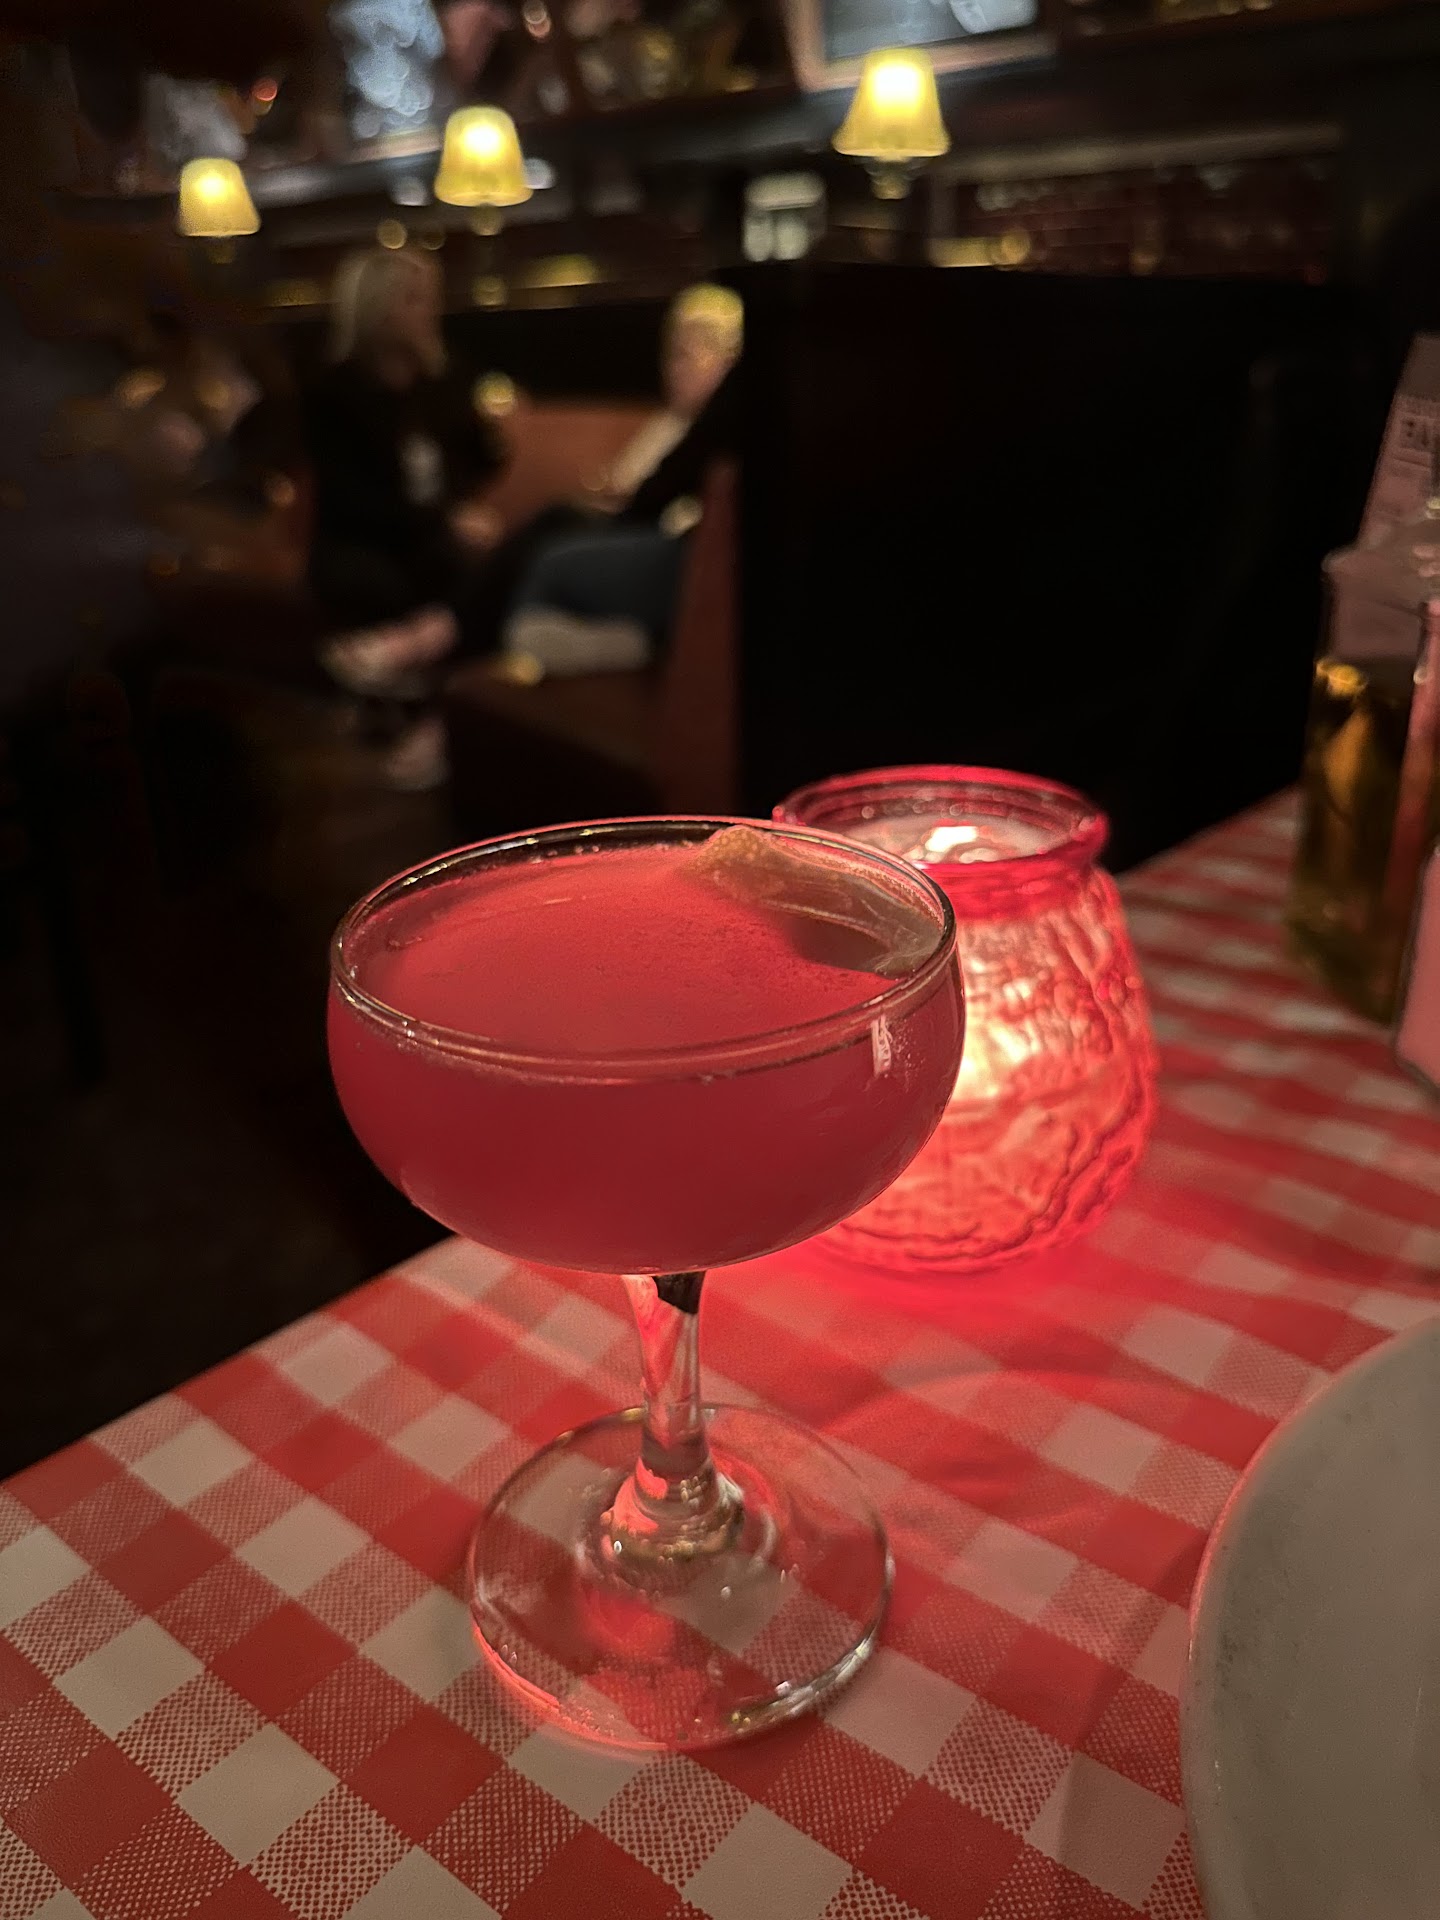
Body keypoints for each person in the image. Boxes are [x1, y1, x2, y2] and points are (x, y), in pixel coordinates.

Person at [301, 246, 507, 771]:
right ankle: (395, 711)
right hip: (361, 540)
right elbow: (349, 500)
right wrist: (445, 520)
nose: (428, 312)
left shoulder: (444, 382)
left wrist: (487, 427)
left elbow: (481, 461)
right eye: (413, 299)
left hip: (431, 539)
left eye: (429, 299)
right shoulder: (334, 392)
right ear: (377, 307)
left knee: (476, 571)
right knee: (389, 580)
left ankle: (439, 718)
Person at [499, 282, 742, 675]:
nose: (674, 368)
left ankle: (493, 644)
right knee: (555, 521)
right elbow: (633, 488)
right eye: (671, 354)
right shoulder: (667, 424)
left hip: (673, 547)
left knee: (548, 561)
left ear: (729, 359)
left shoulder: (718, 426)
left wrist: (621, 509)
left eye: (687, 354)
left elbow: (663, 501)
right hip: (640, 533)